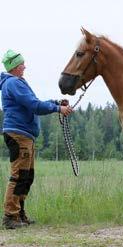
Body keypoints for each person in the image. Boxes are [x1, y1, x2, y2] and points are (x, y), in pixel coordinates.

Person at [0, 49, 73, 229]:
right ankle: (10, 217)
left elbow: (35, 102)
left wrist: (55, 103)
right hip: (19, 134)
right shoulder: (14, 83)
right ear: (15, 67)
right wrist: (58, 110)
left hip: (25, 135)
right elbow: (34, 106)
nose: (25, 66)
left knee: (27, 176)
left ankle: (19, 214)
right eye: (21, 64)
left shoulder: (16, 83)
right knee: (19, 176)